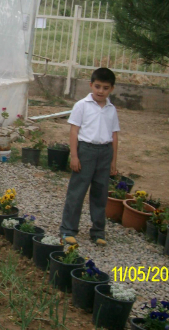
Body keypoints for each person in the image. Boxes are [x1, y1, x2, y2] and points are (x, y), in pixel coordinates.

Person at [59, 67, 120, 246]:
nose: (101, 91)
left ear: (112, 89)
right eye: (98, 86)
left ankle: (98, 231)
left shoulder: (111, 109)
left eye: (106, 88)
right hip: (86, 151)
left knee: (100, 193)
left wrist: (113, 161)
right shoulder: (82, 106)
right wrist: (74, 155)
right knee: (77, 191)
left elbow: (115, 135)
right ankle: (68, 229)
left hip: (105, 152)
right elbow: (74, 131)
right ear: (91, 85)